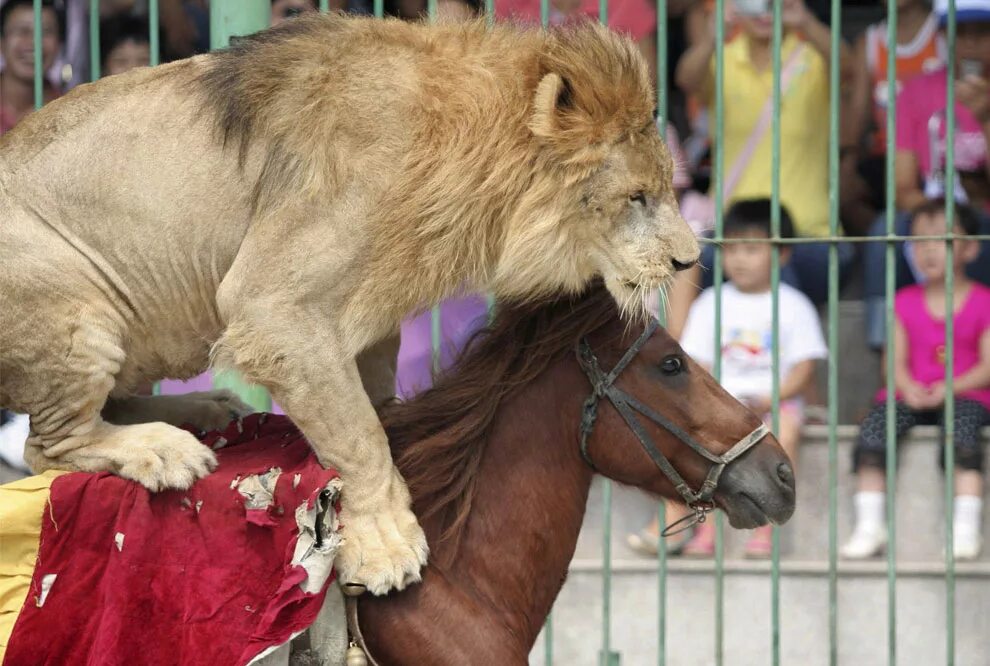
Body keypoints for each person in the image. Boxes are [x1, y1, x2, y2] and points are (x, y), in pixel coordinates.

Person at [629, 199, 827, 558]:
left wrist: (771, 398)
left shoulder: (794, 304)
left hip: (776, 401)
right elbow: (698, 363)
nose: (738, 259)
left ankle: (765, 526)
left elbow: (803, 369)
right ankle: (703, 529)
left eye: (751, 249)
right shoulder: (711, 302)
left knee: (786, 430)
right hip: (724, 403)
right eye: (731, 249)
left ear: (781, 255)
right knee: (700, 439)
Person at [671, 0, 853, 317]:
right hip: (733, 233)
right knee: (712, 266)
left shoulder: (813, 58)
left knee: (773, 267)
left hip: (812, 235)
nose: (767, 10)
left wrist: (805, 22)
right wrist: (713, 38)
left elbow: (850, 69)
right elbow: (686, 80)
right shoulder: (723, 59)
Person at [842, 199, 990, 560]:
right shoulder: (904, 301)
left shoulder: (984, 301)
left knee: (964, 437)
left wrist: (949, 388)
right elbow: (893, 366)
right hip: (911, 394)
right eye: (919, 241)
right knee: (874, 432)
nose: (927, 250)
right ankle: (870, 524)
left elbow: (987, 366)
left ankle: (965, 528)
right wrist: (908, 388)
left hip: (966, 394)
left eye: (940, 239)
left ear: (970, 248)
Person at [862, 0, 990, 349]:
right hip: (932, 209)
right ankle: (882, 342)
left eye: (983, 33)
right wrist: (939, 216)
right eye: (962, 33)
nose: (972, 44)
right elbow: (902, 186)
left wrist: (984, 119)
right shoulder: (917, 91)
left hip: (984, 218)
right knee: (886, 227)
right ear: (945, 36)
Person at [840, 0, 946, 235]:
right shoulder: (869, 41)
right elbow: (858, 116)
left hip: (938, 155)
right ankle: (897, 248)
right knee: (845, 194)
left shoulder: (943, 32)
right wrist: (846, 165)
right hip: (887, 156)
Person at [0, 0, 63, 135]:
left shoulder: (68, 109)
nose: (34, 42)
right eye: (22, 30)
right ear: (2, 42)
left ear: (59, 44)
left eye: (45, 32)